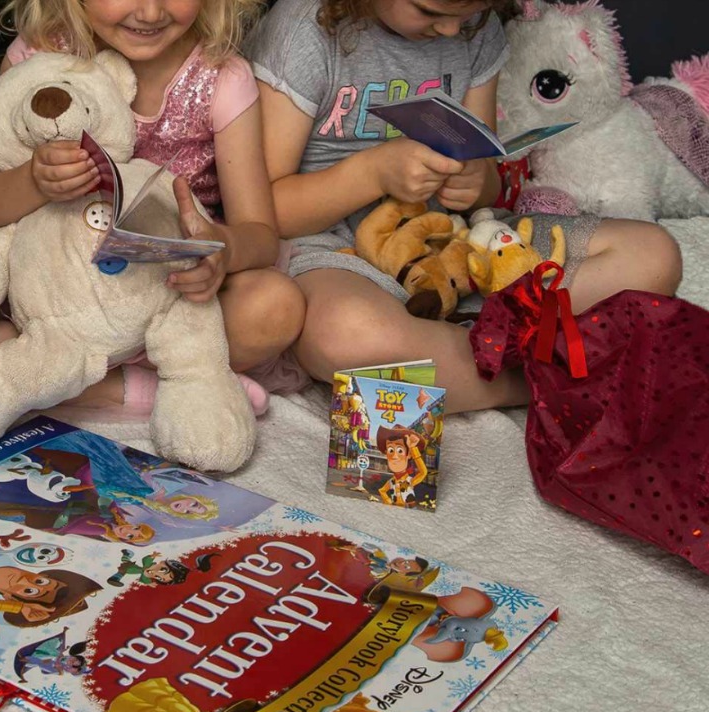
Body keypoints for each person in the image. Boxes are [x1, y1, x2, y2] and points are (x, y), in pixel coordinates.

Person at [245, 0, 683, 413]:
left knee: (652, 255)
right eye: (430, 11)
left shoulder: (475, 26)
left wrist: (476, 181)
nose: (452, 29)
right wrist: (372, 174)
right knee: (342, 335)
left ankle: (444, 354)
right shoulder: (306, 30)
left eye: (470, 12)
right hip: (337, 255)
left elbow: (486, 178)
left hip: (462, 246)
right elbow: (263, 215)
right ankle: (532, 383)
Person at [0, 0, 307, 414]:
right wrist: (34, 181)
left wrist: (218, 248)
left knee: (277, 305)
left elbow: (261, 237)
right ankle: (142, 387)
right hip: (50, 304)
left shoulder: (221, 78)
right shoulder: (39, 56)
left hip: (161, 308)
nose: (149, 12)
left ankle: (52, 381)